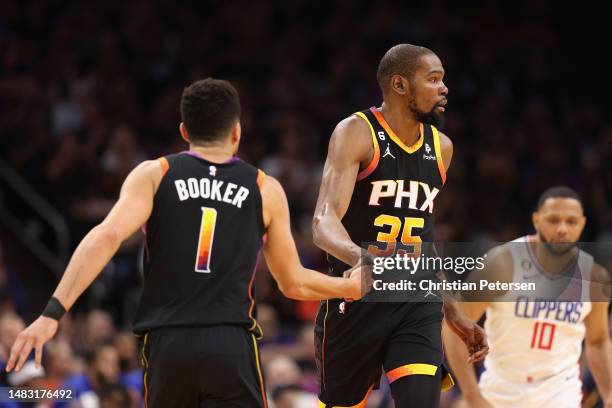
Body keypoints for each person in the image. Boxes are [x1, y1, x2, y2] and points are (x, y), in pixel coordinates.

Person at [5, 78, 368, 407]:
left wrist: (52, 313)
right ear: (237, 132)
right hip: (230, 343)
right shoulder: (264, 188)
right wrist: (347, 287)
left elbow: (106, 236)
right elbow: (293, 282)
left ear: (184, 130)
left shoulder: (156, 173)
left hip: (168, 343)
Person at [311, 43, 488, 408]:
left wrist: (451, 306)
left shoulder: (442, 148)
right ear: (400, 85)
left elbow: (423, 235)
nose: (444, 88)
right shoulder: (356, 132)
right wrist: (359, 257)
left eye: (444, 80)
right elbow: (323, 221)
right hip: (356, 296)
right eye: (433, 79)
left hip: (415, 300)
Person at [443, 186, 612, 408]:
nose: (562, 229)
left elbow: (598, 341)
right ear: (537, 220)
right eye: (553, 220)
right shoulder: (503, 263)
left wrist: (609, 393)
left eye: (571, 222)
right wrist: (472, 395)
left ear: (582, 224)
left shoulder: (595, 277)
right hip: (501, 390)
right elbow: (453, 326)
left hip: (560, 392)